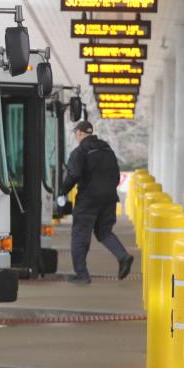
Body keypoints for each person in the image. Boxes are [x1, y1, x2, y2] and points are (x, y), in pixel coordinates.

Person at [58, 121, 133, 284]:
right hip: (109, 198)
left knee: (80, 235)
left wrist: (62, 191)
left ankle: (82, 274)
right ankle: (123, 256)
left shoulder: (80, 152)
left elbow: (73, 175)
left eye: (75, 133)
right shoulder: (107, 150)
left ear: (79, 133)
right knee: (104, 232)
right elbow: (116, 175)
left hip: (88, 200)